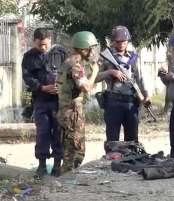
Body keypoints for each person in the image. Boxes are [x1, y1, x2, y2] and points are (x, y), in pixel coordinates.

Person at [96, 26, 150, 151]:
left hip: (131, 102)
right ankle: (112, 163)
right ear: (113, 41)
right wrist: (110, 72)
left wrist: (146, 94)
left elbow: (141, 78)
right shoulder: (105, 57)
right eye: (118, 41)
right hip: (113, 102)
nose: (121, 44)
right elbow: (94, 78)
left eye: (124, 42)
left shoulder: (133, 57)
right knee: (112, 140)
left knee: (132, 141)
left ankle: (131, 162)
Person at [22, 28, 67, 177]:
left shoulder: (60, 54)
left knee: (58, 132)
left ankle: (57, 165)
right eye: (40, 45)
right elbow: (27, 78)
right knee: (42, 133)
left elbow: (69, 73)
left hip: (58, 101)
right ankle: (41, 165)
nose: (43, 48)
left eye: (46, 45)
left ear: (50, 41)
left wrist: (61, 88)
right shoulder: (29, 57)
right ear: (34, 41)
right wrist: (42, 87)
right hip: (40, 100)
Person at [57, 31, 100, 174]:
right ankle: (66, 182)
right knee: (74, 151)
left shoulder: (70, 62)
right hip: (72, 113)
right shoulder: (75, 64)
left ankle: (67, 179)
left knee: (72, 150)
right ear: (83, 48)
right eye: (90, 48)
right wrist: (95, 72)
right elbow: (86, 87)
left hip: (68, 111)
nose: (92, 52)